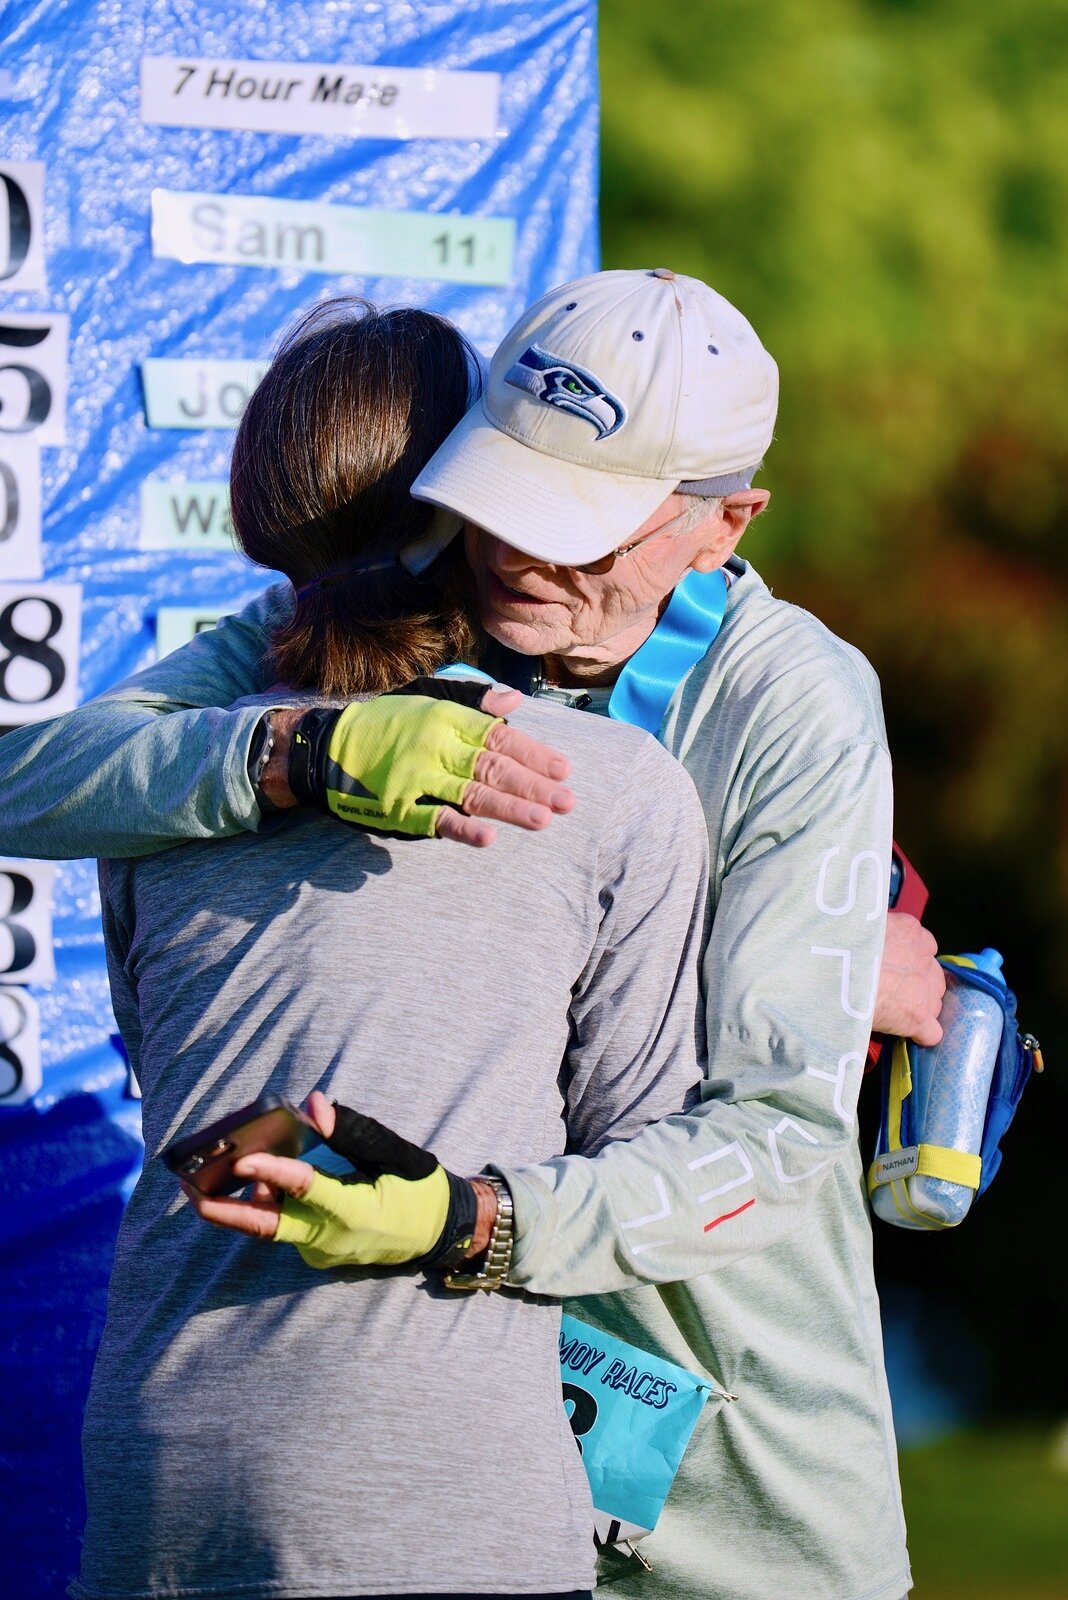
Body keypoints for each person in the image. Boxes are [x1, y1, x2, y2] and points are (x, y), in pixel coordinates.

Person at [0, 271, 944, 1600]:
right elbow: (33, 779)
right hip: (453, 1435)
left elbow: (774, 1137)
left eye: (585, 531)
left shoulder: (794, 697)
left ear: (725, 524)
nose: (519, 556)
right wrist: (295, 752)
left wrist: (480, 1221)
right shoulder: (392, 595)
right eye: (506, 495)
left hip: (723, 1457)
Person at [67, 299, 713, 1600]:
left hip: (158, 1493)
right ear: (474, 510)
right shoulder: (609, 788)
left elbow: (168, 1077)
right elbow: (645, 1171)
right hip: (449, 1500)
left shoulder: (157, 788)